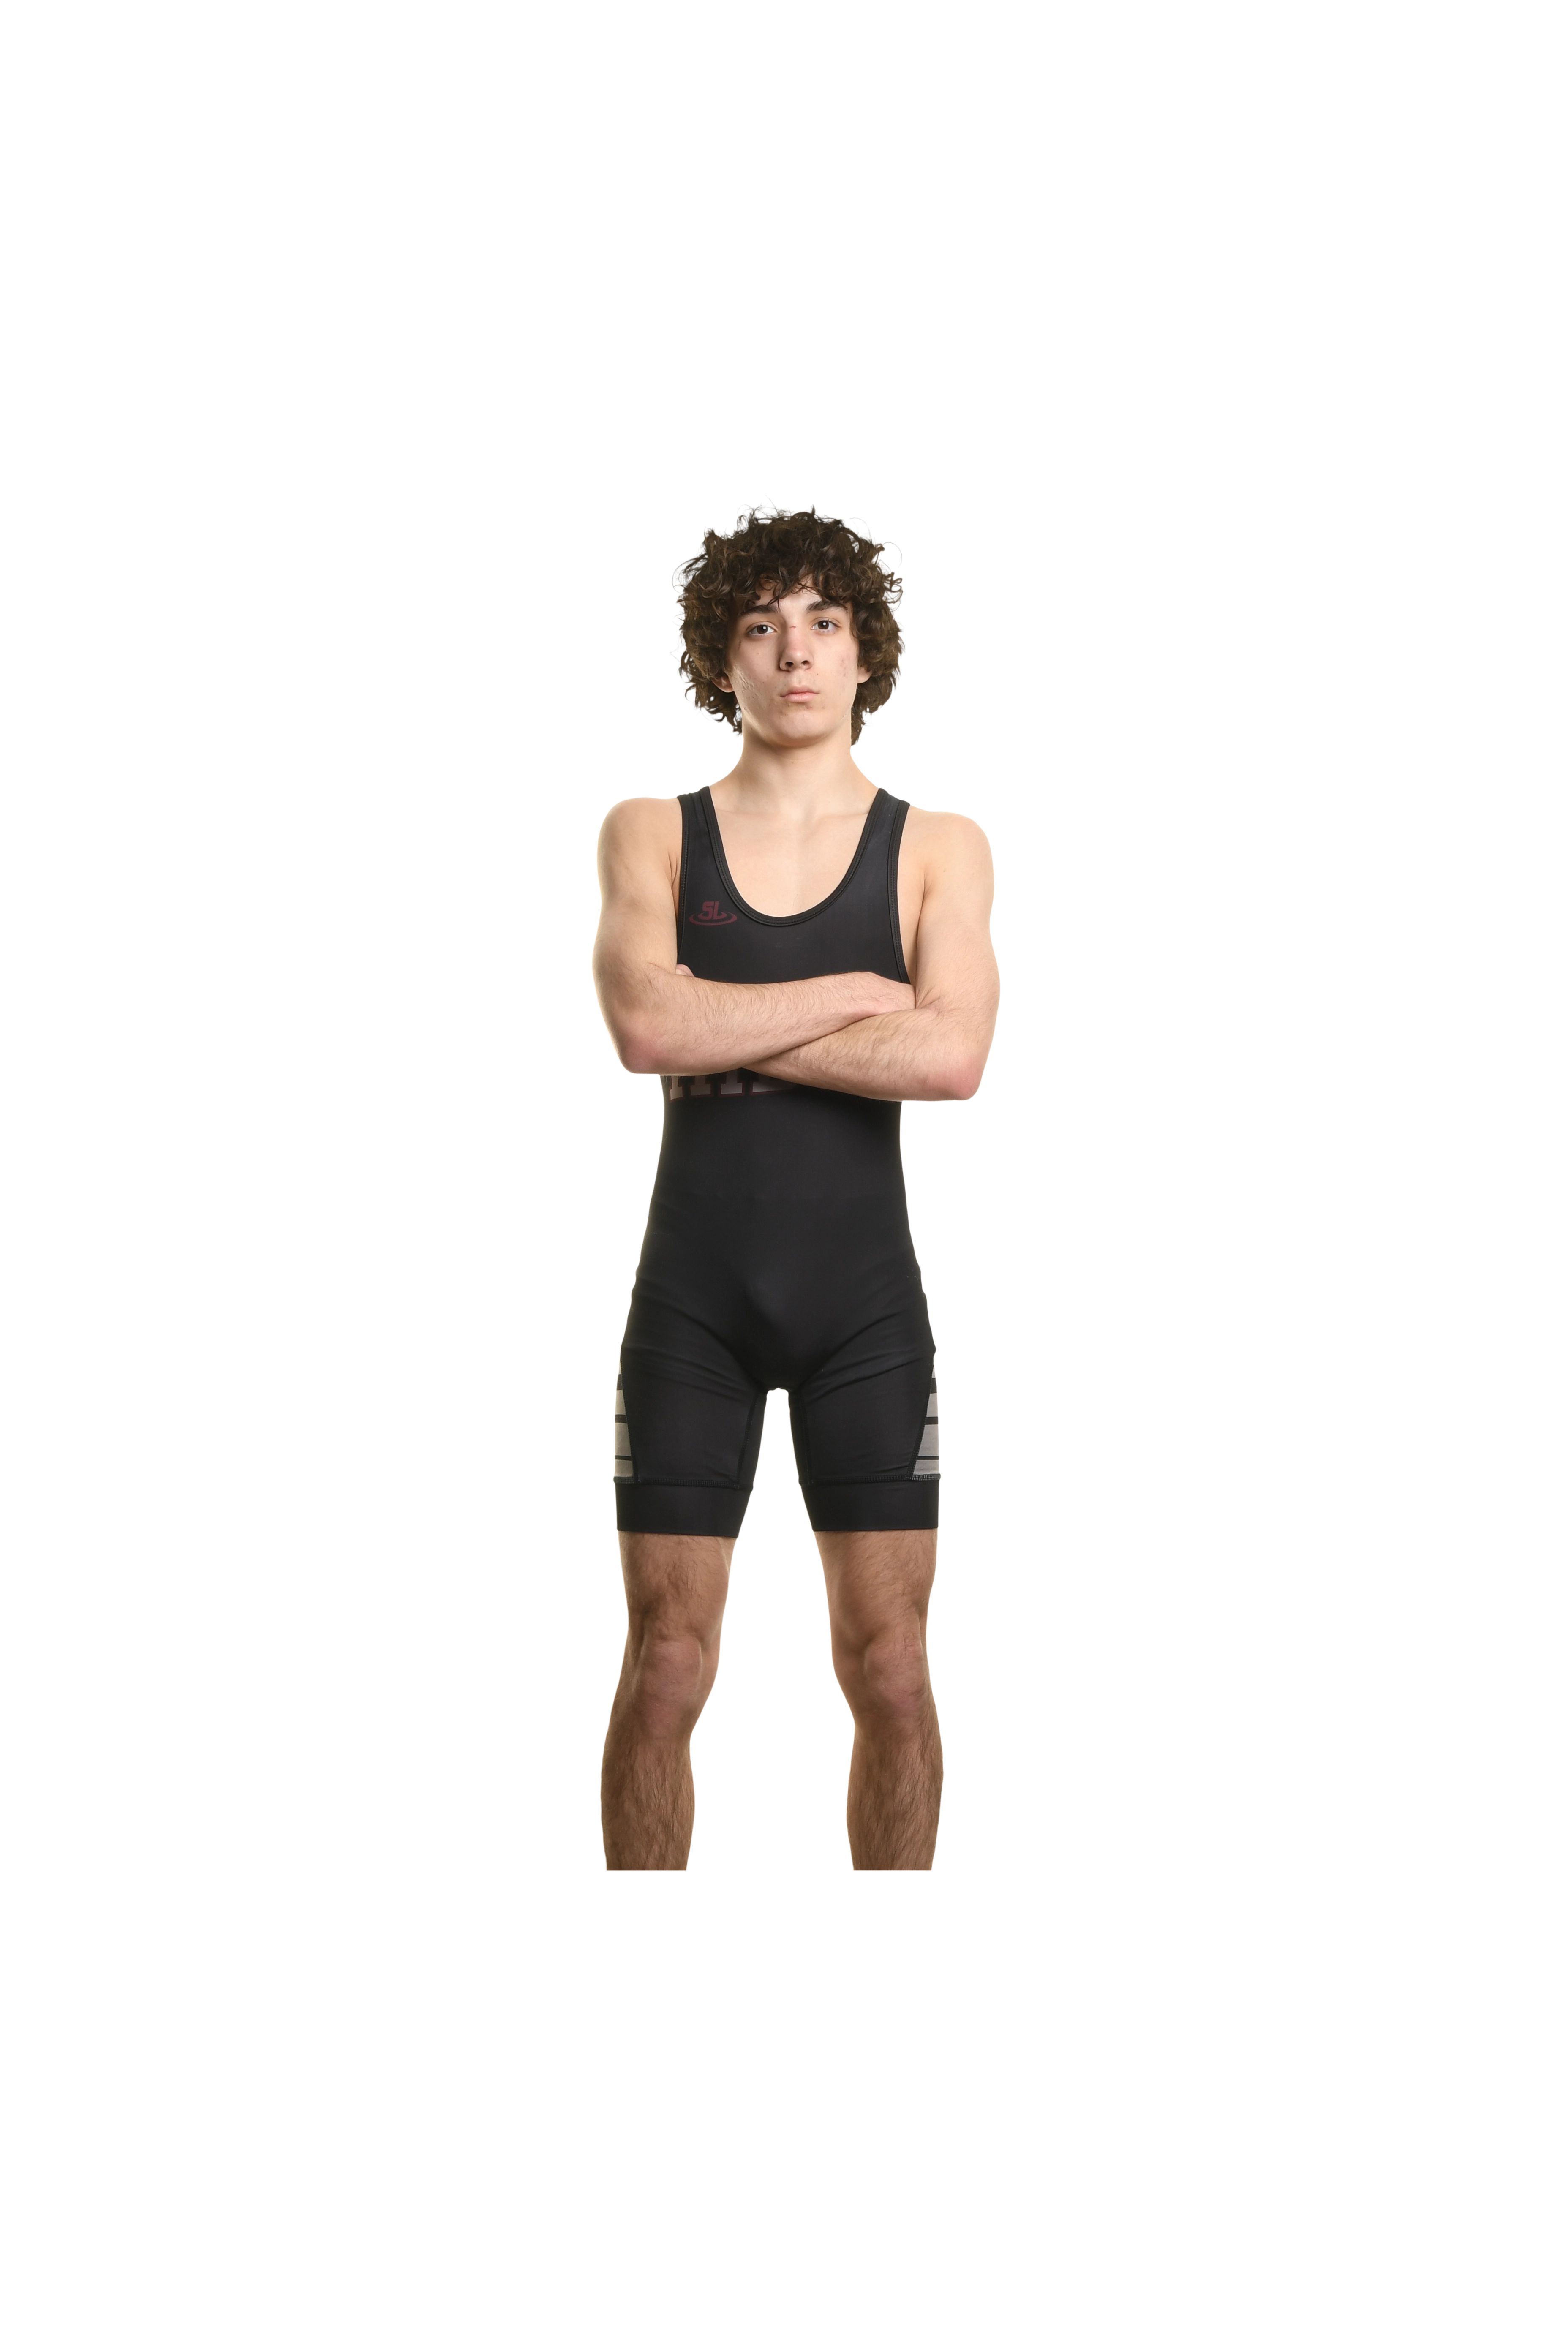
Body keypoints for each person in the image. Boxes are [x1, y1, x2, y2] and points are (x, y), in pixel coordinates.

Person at [591, 496, 999, 1870]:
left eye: (825, 621)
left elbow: (950, 1058)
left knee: (892, 1668)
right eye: (761, 627)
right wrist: (851, 994)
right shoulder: (652, 833)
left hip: (864, 1317)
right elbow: (644, 1026)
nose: (796, 652)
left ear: (867, 649)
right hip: (690, 1315)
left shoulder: (939, 846)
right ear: (721, 657)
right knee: (666, 1664)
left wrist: (722, 1015)